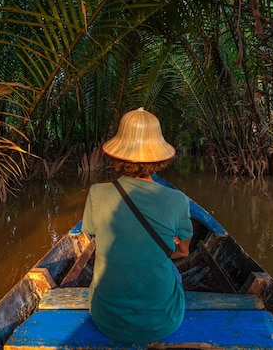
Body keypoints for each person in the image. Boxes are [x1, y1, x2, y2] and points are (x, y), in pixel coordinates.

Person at [81, 107, 193, 344]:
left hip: (106, 319)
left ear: (117, 154)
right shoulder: (178, 200)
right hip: (164, 322)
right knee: (174, 272)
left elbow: (91, 234)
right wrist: (163, 245)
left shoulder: (97, 193)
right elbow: (182, 252)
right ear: (159, 157)